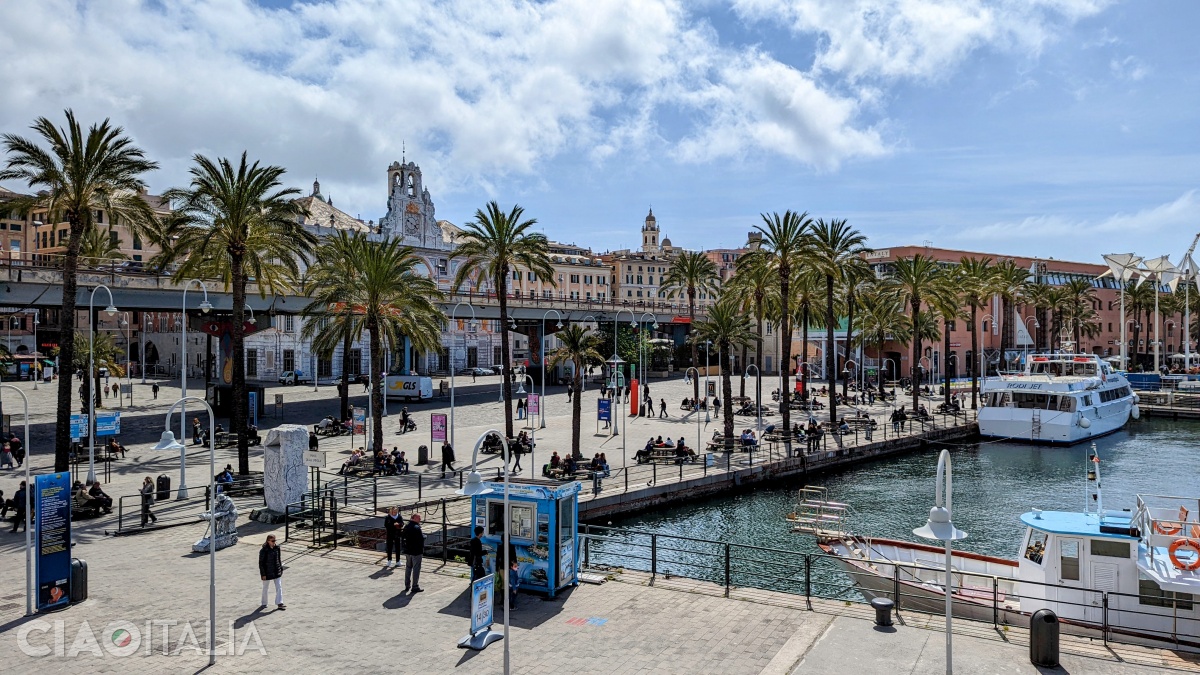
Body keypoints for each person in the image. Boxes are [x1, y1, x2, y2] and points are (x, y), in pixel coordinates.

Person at [259, 534, 285, 610]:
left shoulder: (277, 548)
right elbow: (261, 563)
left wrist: (280, 568)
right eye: (272, 541)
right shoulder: (264, 550)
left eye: (275, 540)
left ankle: (280, 603)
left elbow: (279, 559)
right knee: (265, 587)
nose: (274, 542)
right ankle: (264, 603)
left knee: (279, 587)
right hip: (267, 571)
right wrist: (263, 574)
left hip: (276, 570)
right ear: (268, 541)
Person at [402, 514, 426, 593]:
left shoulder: (406, 526)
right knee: (416, 568)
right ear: (414, 518)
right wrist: (424, 537)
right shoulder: (416, 528)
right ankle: (415, 586)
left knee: (408, 567)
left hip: (408, 551)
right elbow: (420, 539)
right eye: (419, 518)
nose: (420, 519)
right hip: (416, 551)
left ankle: (407, 585)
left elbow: (403, 536)